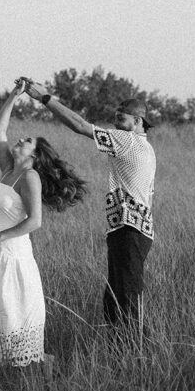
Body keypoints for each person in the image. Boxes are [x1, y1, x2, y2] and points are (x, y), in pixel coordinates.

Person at [23, 79, 157, 336]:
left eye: (122, 119)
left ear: (139, 122)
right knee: (116, 300)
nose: (117, 124)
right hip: (129, 230)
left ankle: (135, 356)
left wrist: (45, 98)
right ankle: (122, 354)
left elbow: (80, 126)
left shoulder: (127, 141)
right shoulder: (146, 148)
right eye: (116, 118)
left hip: (130, 230)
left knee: (125, 301)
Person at [0, 79, 87, 367]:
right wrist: (15, 94)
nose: (20, 141)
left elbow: (35, 221)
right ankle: (2, 366)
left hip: (12, 254)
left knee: (13, 312)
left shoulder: (30, 177)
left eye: (27, 142)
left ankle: (41, 366)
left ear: (34, 155)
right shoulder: (8, 170)